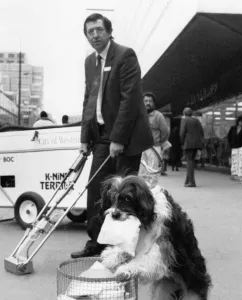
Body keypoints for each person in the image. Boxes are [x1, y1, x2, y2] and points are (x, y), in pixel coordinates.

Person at [71, 13, 153, 259]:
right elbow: (89, 101)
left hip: (126, 135)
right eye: (89, 32)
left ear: (108, 31)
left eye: (98, 30)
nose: (94, 35)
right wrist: (85, 137)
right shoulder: (90, 62)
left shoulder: (125, 56)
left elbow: (131, 99)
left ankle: (123, 246)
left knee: (125, 194)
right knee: (97, 190)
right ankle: (96, 242)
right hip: (101, 136)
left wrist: (118, 137)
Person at [143, 92, 170, 175]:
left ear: (154, 103)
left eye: (150, 101)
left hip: (154, 148)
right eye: (146, 101)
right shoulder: (139, 115)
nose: (148, 103)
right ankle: (142, 188)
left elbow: (165, 131)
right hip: (140, 149)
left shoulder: (158, 116)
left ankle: (152, 188)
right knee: (141, 173)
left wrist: (159, 142)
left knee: (153, 172)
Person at [180, 107, 204, 187]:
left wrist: (182, 143)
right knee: (191, 162)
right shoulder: (197, 120)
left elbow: (182, 133)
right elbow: (202, 132)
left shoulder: (184, 120)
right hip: (197, 144)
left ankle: (191, 182)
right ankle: (187, 181)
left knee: (189, 162)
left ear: (184, 113)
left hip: (188, 144)